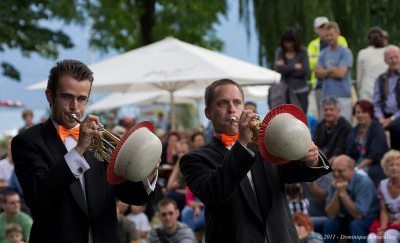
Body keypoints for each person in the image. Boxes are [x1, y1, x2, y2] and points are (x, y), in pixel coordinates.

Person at [11, 60, 158, 243]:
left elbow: (131, 195)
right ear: (50, 96)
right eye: (67, 97)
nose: (75, 107)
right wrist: (79, 149)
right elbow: (37, 195)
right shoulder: (27, 141)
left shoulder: (101, 138)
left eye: (82, 99)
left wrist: (148, 171)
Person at [179, 78, 331, 243]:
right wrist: (242, 144)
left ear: (243, 108)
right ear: (208, 113)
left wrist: (312, 159)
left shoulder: (266, 145)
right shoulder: (194, 159)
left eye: (237, 103)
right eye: (223, 103)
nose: (231, 110)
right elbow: (215, 195)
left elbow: (298, 171)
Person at [323, 155, 380, 243]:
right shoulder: (336, 182)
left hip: (369, 219)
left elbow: (358, 215)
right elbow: (331, 214)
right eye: (333, 170)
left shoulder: (364, 183)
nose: (336, 174)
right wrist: (338, 192)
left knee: (356, 224)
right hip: (349, 218)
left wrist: (342, 192)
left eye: (340, 171)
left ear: (351, 169)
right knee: (330, 223)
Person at [307, 16, 348, 119]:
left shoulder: (341, 40)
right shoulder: (313, 44)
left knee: (341, 117)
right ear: (316, 29)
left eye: (325, 26)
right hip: (320, 86)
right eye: (321, 27)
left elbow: (341, 66)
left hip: (339, 87)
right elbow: (312, 66)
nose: (324, 30)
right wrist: (332, 68)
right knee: (324, 117)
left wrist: (323, 69)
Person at [315, 22, 353, 123]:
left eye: (331, 35)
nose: (329, 38)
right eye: (326, 35)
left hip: (343, 96)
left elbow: (341, 74)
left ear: (338, 34)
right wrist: (333, 69)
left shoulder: (346, 52)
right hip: (326, 97)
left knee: (344, 127)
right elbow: (317, 74)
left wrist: (324, 71)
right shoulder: (322, 53)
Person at [346, 100, 388, 186]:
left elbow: (373, 156)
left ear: (370, 113)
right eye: (358, 112)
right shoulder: (354, 131)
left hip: (375, 166)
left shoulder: (377, 129)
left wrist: (356, 169)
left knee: (358, 176)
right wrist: (349, 168)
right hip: (356, 166)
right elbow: (351, 155)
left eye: (364, 112)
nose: (360, 115)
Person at [367, 150, 400, 243]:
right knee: (372, 238)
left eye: (398, 165)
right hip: (388, 222)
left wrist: (391, 227)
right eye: (391, 165)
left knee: (389, 235)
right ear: (386, 167)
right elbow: (384, 210)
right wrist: (383, 228)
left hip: (397, 224)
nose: (394, 168)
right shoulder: (382, 184)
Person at [274, 27, 310, 113]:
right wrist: (294, 67)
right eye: (286, 42)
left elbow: (305, 71)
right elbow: (278, 68)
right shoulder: (280, 52)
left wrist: (286, 68)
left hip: (301, 92)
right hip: (285, 91)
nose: (289, 45)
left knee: (301, 117)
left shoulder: (303, 51)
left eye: (291, 42)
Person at [372, 45, 400, 151]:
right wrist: (381, 118)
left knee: (395, 127)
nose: (394, 60)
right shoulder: (380, 78)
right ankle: (377, 158)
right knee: (371, 126)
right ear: (385, 61)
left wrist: (391, 119)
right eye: (390, 58)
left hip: (397, 116)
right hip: (384, 115)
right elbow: (375, 103)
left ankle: (396, 157)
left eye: (396, 57)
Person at [313, 96, 352, 164]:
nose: (328, 112)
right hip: (319, 161)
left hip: (338, 163)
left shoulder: (345, 127)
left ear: (338, 110)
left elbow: (339, 152)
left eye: (331, 109)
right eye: (326, 110)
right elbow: (314, 147)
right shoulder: (319, 126)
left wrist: (324, 165)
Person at [356, 27, 387, 101]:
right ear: (383, 38)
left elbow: (359, 78)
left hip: (367, 93)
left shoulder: (362, 53)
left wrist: (359, 91)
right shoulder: (389, 52)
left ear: (368, 39)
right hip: (385, 93)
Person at [166, 139, 191, 212]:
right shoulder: (185, 164)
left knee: (170, 194)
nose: (180, 155)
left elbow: (170, 186)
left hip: (197, 201)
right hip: (190, 198)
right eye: (178, 152)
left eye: (183, 152)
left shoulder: (190, 166)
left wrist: (177, 166)